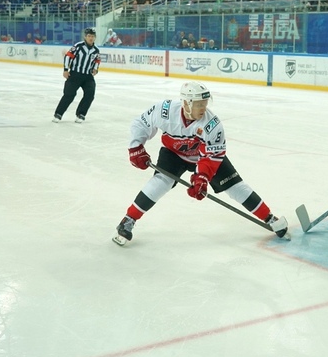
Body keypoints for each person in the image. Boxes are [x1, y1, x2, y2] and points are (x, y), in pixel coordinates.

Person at [112, 81, 290, 245]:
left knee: (234, 185)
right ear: (187, 102)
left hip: (203, 157)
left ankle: (269, 218)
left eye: (205, 104)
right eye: (199, 104)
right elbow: (141, 124)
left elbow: (212, 157)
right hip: (174, 154)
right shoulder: (165, 110)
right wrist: (136, 147)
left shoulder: (212, 124)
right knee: (160, 182)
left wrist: (202, 177)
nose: (203, 108)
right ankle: (128, 220)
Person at [52, 27, 100, 123]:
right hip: (75, 74)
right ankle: (58, 114)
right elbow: (68, 56)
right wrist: (66, 70)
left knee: (90, 95)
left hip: (88, 76)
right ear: (85, 37)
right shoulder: (78, 46)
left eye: (93, 36)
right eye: (89, 36)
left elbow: (97, 60)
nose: (91, 38)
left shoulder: (96, 50)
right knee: (69, 94)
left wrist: (95, 69)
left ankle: (81, 114)